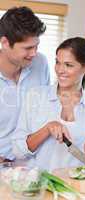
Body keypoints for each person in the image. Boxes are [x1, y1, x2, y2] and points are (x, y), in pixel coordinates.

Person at [12, 37, 85, 171]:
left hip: (75, 187)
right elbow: (18, 150)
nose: (60, 70)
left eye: (68, 65)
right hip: (39, 185)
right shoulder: (35, 96)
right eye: (57, 62)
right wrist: (47, 129)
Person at [0, 6, 50, 161]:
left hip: (33, 164)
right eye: (28, 48)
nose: (34, 53)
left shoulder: (40, 63)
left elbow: (47, 109)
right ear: (5, 43)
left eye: (36, 46)